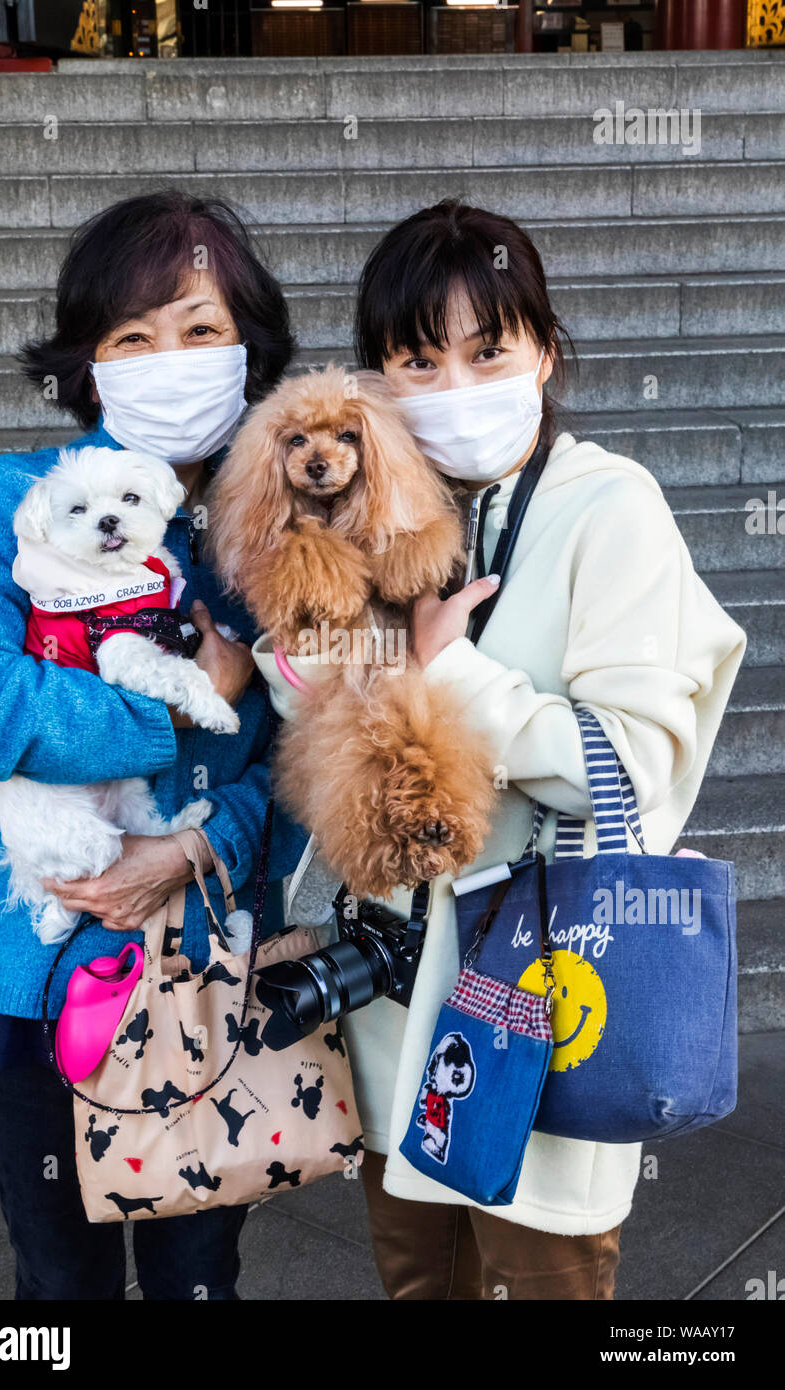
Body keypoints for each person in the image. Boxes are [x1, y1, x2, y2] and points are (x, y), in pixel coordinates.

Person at [340, 199, 747, 1300]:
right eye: (417, 359)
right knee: (417, 1282)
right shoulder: (377, 516)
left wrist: (453, 676)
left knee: (538, 1282)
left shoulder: (608, 507)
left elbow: (630, 762)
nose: (455, 387)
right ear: (375, 379)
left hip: (550, 990)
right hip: (394, 1015)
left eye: (487, 350)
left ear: (543, 352)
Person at [0, 190, 306, 1301]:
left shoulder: (286, 521)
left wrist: (188, 851)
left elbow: (307, 758)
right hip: (34, 975)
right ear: (88, 363)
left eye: (200, 329)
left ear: (249, 350)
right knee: (59, 1283)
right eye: (133, 336)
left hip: (212, 967)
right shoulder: (17, 500)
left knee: (199, 1277)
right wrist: (184, 700)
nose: (168, 358)